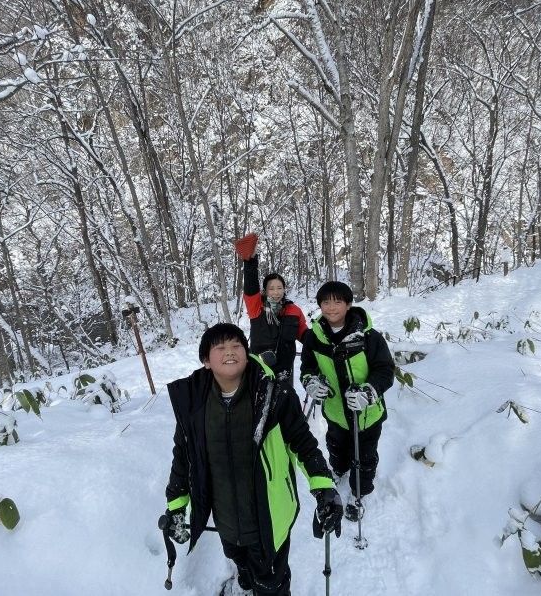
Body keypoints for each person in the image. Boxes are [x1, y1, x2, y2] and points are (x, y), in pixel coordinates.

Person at [162, 323, 343, 595]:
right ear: (206, 361)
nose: (230, 352)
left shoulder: (274, 394)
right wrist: (176, 506)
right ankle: (246, 581)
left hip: (270, 517)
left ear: (247, 354)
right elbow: (184, 456)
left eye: (237, 346)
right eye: (220, 348)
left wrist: (324, 487)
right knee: (240, 560)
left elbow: (302, 443)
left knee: (271, 579)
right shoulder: (195, 403)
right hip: (225, 517)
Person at [300, 281, 395, 522]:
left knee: (364, 456)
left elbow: (385, 370)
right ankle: (339, 469)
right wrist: (311, 382)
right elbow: (307, 368)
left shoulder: (368, 337)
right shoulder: (314, 338)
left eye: (338, 301)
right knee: (336, 446)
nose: (331, 307)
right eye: (326, 302)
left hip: (367, 415)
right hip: (335, 412)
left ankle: (359, 492)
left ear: (349, 304)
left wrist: (368, 391)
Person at [235, 233, 308, 385]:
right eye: (271, 288)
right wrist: (250, 260)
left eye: (279, 288)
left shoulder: (294, 310)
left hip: (285, 371)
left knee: (284, 406)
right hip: (259, 369)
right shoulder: (257, 307)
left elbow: (305, 335)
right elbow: (250, 286)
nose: (276, 292)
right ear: (265, 291)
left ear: (284, 289)